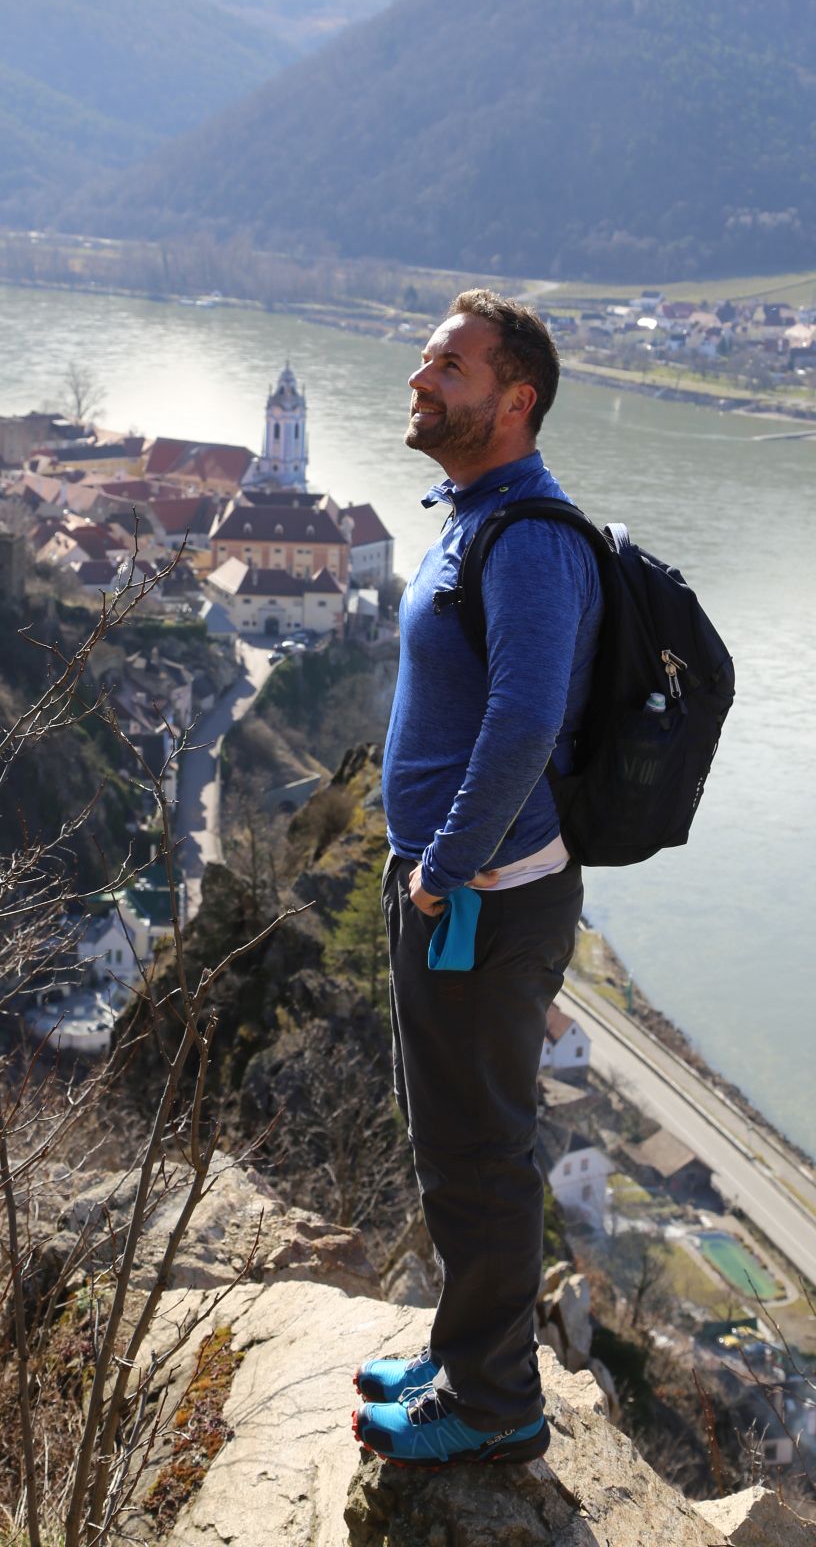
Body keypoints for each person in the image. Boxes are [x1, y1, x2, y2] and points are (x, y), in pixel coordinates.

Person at [352, 288, 602, 1468]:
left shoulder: (532, 538)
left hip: (483, 897)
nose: (419, 380)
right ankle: (462, 1355)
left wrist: (443, 863)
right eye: (423, 359)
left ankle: (496, 1403)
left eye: (446, 366)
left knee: (483, 1149)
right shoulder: (468, 517)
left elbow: (522, 719)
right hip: (454, 884)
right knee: (445, 1141)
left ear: (514, 400)